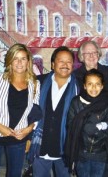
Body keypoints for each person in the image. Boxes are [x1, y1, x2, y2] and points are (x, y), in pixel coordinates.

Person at [0, 43, 40, 177]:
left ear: (28, 61)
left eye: (23, 58)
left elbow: (35, 112)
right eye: (16, 58)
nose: (19, 62)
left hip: (18, 135)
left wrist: (28, 133)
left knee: (15, 174)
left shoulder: (35, 83)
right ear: (9, 60)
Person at [28, 46, 79, 177]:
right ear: (52, 64)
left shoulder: (79, 87)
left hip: (65, 147)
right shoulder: (39, 82)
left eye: (69, 62)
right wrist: (28, 138)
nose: (65, 65)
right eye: (61, 61)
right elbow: (29, 112)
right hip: (40, 145)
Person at [65, 69, 108, 177]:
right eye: (90, 84)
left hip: (100, 153)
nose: (93, 88)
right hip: (81, 153)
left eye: (97, 84)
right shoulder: (76, 101)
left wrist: (98, 133)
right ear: (84, 86)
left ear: (102, 86)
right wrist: (85, 128)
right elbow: (70, 125)